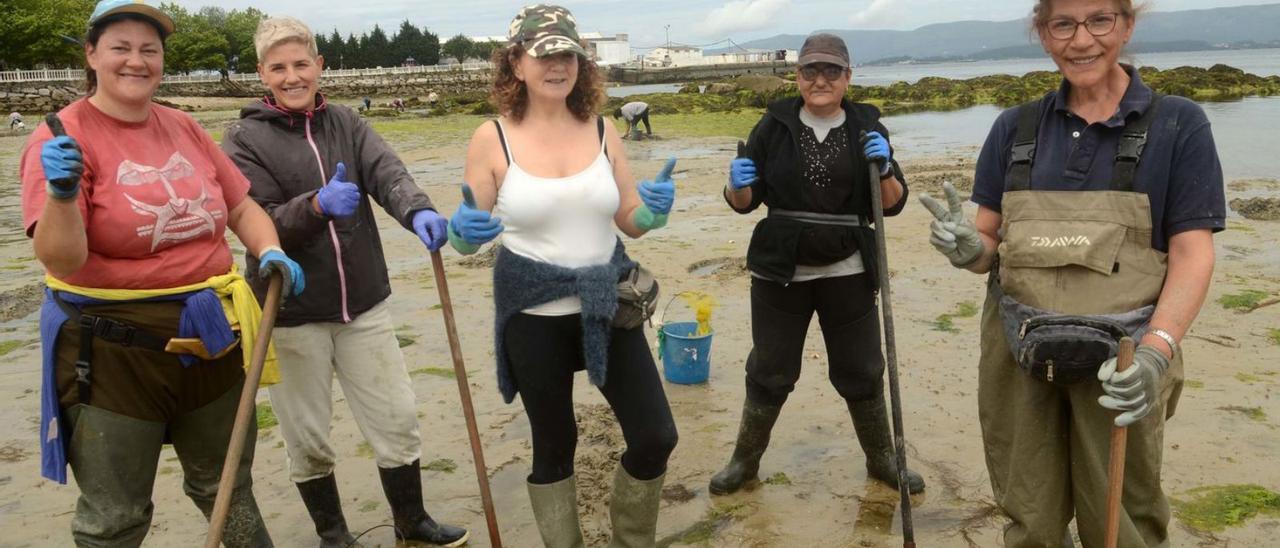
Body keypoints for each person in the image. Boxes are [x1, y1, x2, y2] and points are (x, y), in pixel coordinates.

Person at [919, 1, 1223, 545]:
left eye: (1099, 20)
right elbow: (990, 241)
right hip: (1018, 354)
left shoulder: (1179, 123)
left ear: (1127, 25)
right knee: (1030, 515)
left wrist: (1157, 352)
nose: (1081, 39)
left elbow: (1192, 253)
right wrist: (969, 249)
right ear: (1044, 34)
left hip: (1124, 362)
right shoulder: (1015, 128)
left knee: (1123, 520)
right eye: (1063, 24)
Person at [19, 1, 306, 546]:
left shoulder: (182, 126)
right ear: (91, 54)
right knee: (115, 516)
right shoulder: (60, 137)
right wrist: (61, 194)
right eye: (120, 48)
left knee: (227, 486)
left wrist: (269, 250)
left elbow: (241, 207)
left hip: (210, 335)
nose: (136, 61)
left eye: (149, 49)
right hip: (110, 350)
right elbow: (61, 260)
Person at [220, 16, 468, 548]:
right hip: (288, 314)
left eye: (301, 64)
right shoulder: (241, 137)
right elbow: (254, 218)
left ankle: (412, 522)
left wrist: (416, 209)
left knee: (397, 420)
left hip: (364, 305)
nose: (292, 76)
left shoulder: (348, 123)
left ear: (319, 66)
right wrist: (315, 206)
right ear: (262, 74)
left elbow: (386, 172)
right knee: (307, 439)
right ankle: (334, 536)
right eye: (279, 67)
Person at [451, 5, 678, 546]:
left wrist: (652, 212)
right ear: (516, 63)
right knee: (555, 443)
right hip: (533, 314)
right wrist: (461, 230)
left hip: (608, 301)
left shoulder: (603, 130)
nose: (558, 64)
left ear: (582, 63)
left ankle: (630, 541)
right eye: (544, 53)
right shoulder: (492, 138)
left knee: (655, 437)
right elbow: (468, 233)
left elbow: (631, 220)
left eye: (568, 54)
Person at [711, 33, 925, 497]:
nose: (820, 79)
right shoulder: (773, 124)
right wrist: (735, 184)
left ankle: (882, 460)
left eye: (831, 70)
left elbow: (892, 205)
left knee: (864, 369)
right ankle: (744, 462)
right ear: (797, 76)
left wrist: (885, 169)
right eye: (811, 70)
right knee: (769, 369)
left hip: (847, 268)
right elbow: (745, 204)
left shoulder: (868, 129)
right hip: (779, 270)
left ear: (848, 77)